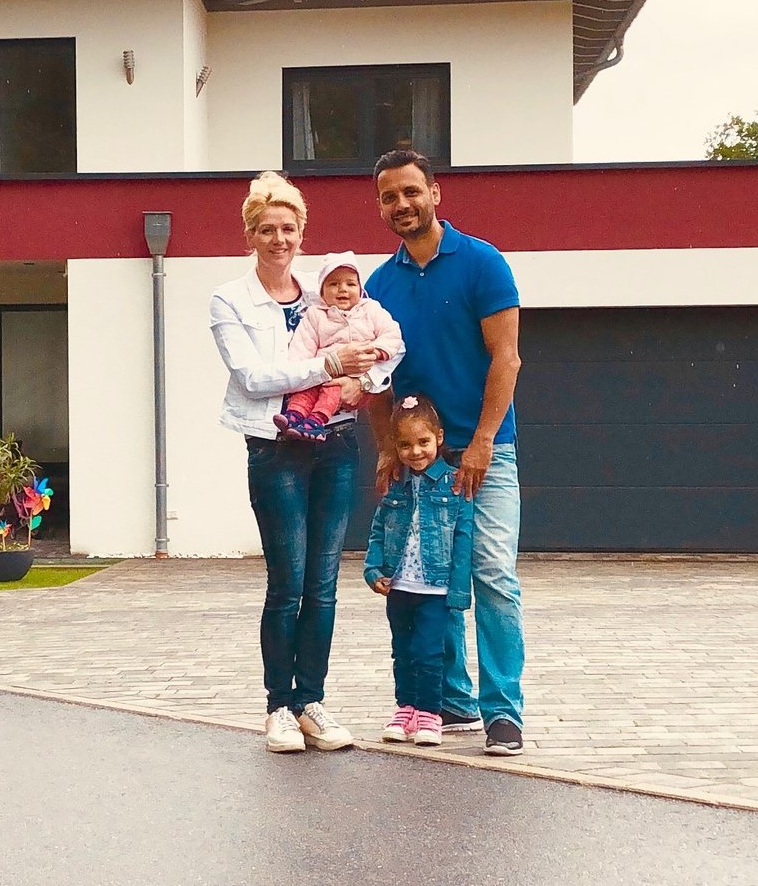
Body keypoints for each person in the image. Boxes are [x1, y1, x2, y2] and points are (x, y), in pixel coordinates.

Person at [209, 171, 387, 753]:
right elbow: (254, 378)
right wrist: (330, 367)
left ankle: (312, 701)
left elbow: (378, 341)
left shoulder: (328, 289)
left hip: (335, 445)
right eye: (267, 229)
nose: (279, 239)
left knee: (326, 583)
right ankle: (278, 708)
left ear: (302, 233)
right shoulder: (230, 300)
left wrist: (368, 378)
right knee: (287, 583)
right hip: (275, 447)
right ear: (250, 234)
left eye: (289, 228)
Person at [364, 149, 527, 757]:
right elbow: (378, 379)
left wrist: (483, 441)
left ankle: (503, 712)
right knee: (428, 578)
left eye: (411, 191)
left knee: (491, 576)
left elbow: (505, 358)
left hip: (485, 451)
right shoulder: (378, 287)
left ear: (436, 194)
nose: (401, 204)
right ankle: (451, 702)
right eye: (388, 197)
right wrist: (386, 448)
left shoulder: (484, 264)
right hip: (418, 459)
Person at [362, 395, 472, 747]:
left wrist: (458, 592)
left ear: (439, 437)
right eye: (405, 444)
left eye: (423, 442)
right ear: (395, 446)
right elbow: (379, 529)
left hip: (435, 591)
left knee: (428, 652)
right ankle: (405, 709)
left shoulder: (455, 483)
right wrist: (372, 568)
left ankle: (430, 714)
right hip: (399, 586)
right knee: (403, 651)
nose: (416, 452)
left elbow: (463, 539)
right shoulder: (396, 483)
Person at [273, 251, 404, 442]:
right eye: (333, 284)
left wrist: (376, 351)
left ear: (360, 288)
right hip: (322, 370)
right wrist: (303, 373)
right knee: (305, 390)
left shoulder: (371, 310)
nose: (342, 289)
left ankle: (316, 421)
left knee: (332, 389)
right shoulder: (315, 315)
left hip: (355, 376)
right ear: (322, 291)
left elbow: (393, 334)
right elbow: (302, 346)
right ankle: (294, 416)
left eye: (350, 284)